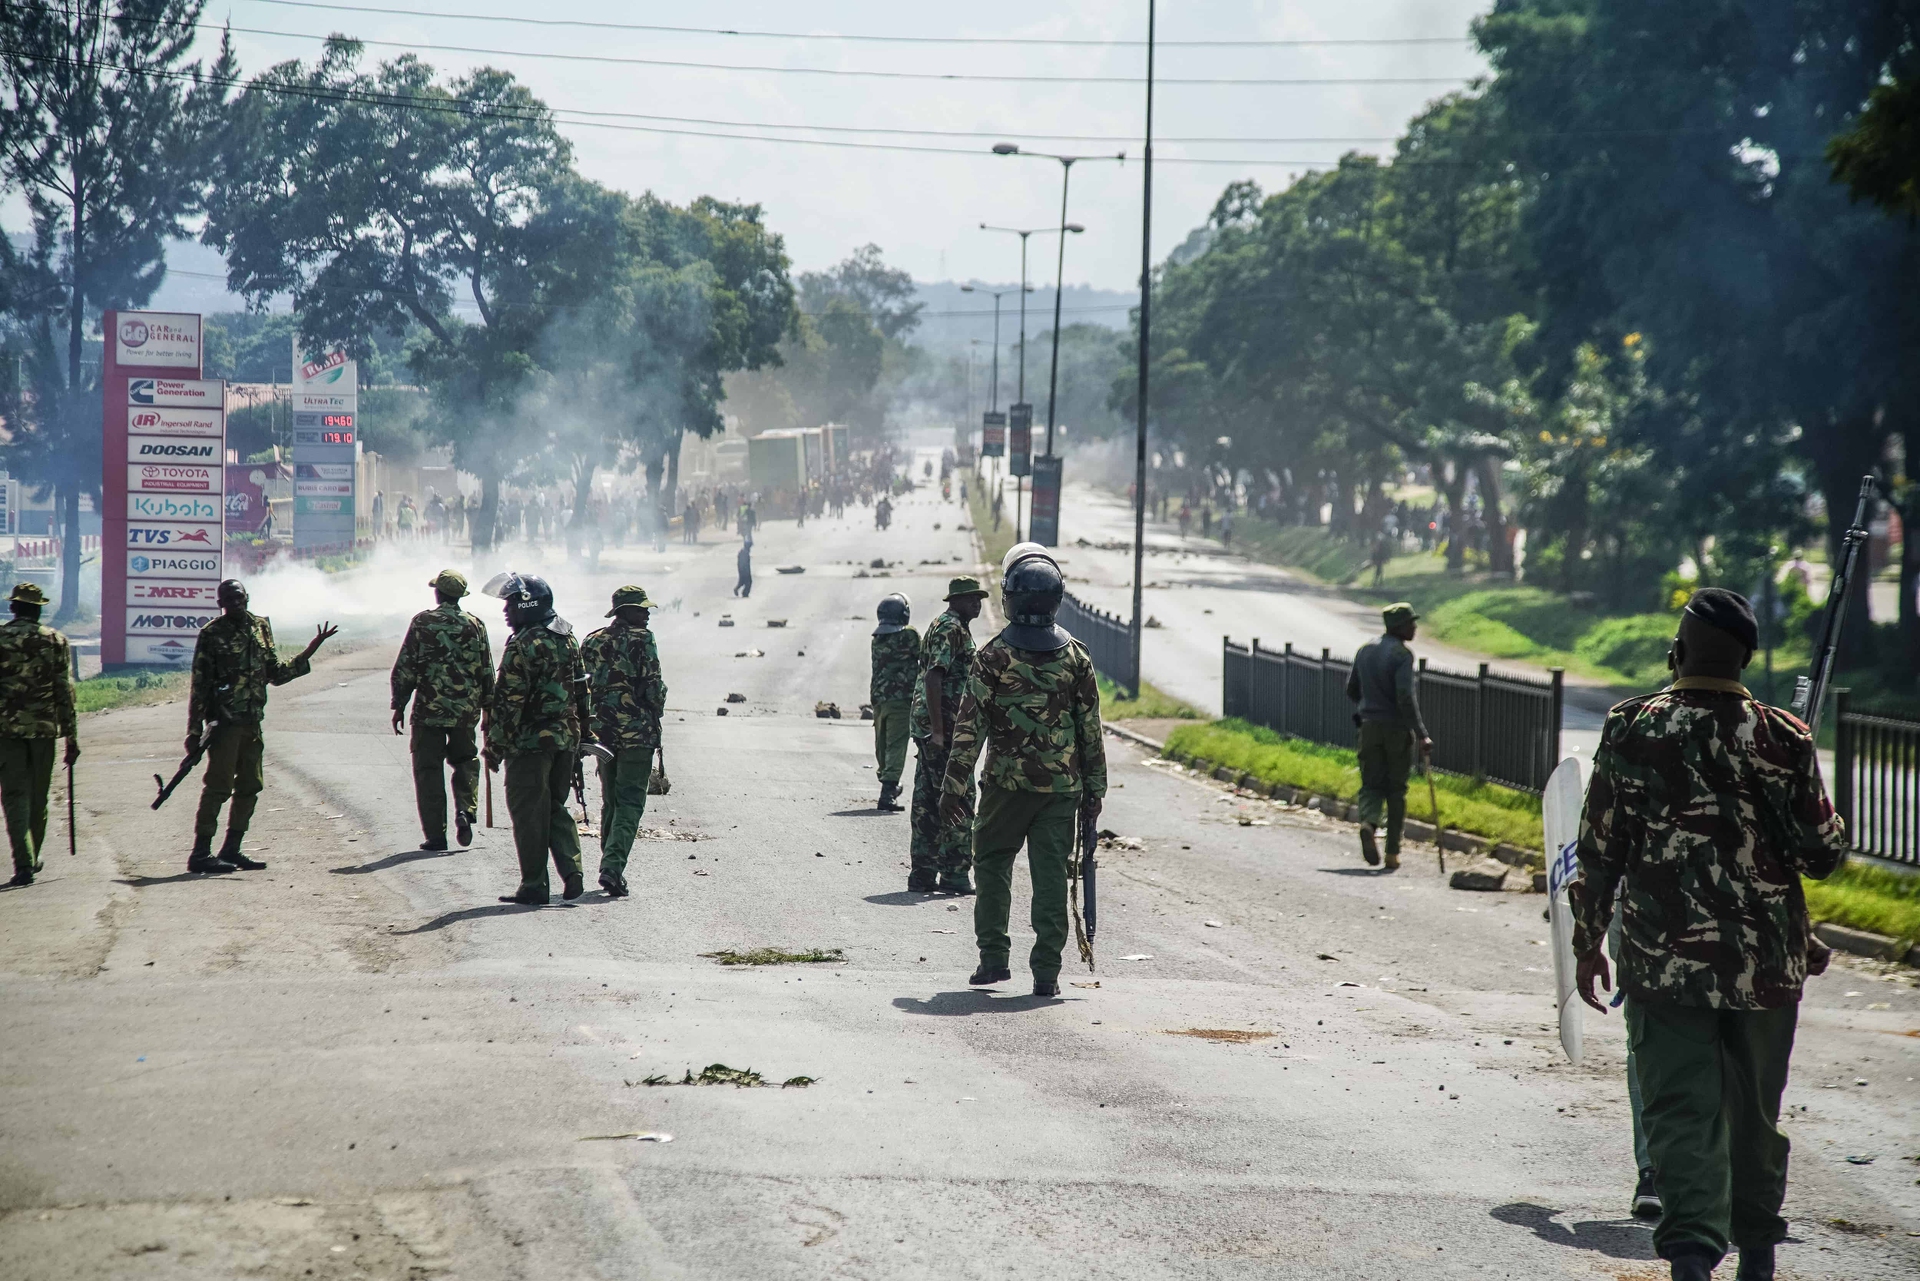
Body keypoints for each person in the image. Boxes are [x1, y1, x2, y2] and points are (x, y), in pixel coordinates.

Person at [1572, 589, 1848, 1281]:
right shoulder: (1784, 737)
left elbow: (1599, 850)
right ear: (1747, 658)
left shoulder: (1634, 726)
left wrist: (1586, 941)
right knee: (1755, 1110)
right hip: (1765, 968)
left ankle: (1693, 1250)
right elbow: (1822, 853)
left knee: (1678, 1104)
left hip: (1663, 963)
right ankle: (1757, 1248)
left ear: (1680, 650)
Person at [943, 548, 1105, 998]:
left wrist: (952, 788)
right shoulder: (1077, 657)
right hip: (1061, 789)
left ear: (1010, 596)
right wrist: (1095, 791)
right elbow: (1090, 731)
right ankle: (1047, 973)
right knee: (1051, 875)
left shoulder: (992, 656)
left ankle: (993, 959)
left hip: (1005, 787)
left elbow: (969, 729)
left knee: (993, 865)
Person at [186, 580, 337, 873]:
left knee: (250, 786)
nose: (235, 604)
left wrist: (309, 652)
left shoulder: (260, 627)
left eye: (239, 598)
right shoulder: (211, 634)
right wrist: (193, 731)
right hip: (225, 725)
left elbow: (275, 674)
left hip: (253, 722)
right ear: (220, 604)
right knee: (218, 787)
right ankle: (201, 853)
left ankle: (231, 849)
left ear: (248, 598)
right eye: (228, 600)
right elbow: (199, 685)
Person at [482, 572, 589, 905]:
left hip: (530, 744)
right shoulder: (567, 637)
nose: (506, 611)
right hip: (565, 740)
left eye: (511, 604)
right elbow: (582, 689)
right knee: (555, 807)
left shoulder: (523, 644)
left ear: (528, 604)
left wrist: (494, 747)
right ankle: (572, 872)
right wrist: (585, 733)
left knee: (529, 813)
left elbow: (509, 702)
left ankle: (534, 885)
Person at [390, 570, 493, 852]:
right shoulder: (475, 625)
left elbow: (405, 667)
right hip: (465, 712)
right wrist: (488, 710)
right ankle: (465, 810)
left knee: (428, 770)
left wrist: (399, 704)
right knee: (465, 761)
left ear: (438, 593)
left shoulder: (422, 622)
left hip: (428, 712)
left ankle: (436, 835)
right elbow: (487, 671)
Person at [580, 586, 668, 899]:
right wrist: (657, 705)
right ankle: (612, 867)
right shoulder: (643, 639)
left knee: (611, 801)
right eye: (641, 609)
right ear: (626, 611)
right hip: (636, 734)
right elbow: (653, 686)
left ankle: (609, 862)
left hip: (601, 734)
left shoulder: (592, 640)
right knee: (630, 801)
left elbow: (579, 686)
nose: (646, 614)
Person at [907, 576, 989, 893]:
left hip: (934, 726)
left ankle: (923, 873)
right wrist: (940, 732)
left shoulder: (952, 626)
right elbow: (933, 678)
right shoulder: (950, 627)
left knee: (928, 800)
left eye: (980, 598)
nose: (977, 604)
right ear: (955, 600)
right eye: (971, 598)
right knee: (959, 796)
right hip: (942, 729)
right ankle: (954, 873)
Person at [0, 583, 77, 887]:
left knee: (14, 796)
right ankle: (32, 856)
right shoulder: (55, 641)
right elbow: (64, 692)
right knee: (38, 797)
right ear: (39, 610)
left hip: (6, 731)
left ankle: (24, 862)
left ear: (13, 608)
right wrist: (72, 738)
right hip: (44, 731)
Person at [1343, 603, 1431, 871]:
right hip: (1395, 729)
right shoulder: (1401, 654)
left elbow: (1351, 689)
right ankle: (1393, 852)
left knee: (1370, 783)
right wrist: (1421, 733)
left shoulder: (1366, 649)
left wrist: (1368, 707)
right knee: (1396, 790)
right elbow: (1405, 697)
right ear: (1398, 627)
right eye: (1410, 623)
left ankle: (1369, 823)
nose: (1414, 627)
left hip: (1369, 727)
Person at [869, 593, 919, 812]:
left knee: (882, 744)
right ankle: (888, 792)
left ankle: (888, 785)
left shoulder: (877, 639)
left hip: (879, 699)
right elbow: (923, 657)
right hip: (900, 700)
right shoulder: (909, 636)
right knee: (895, 745)